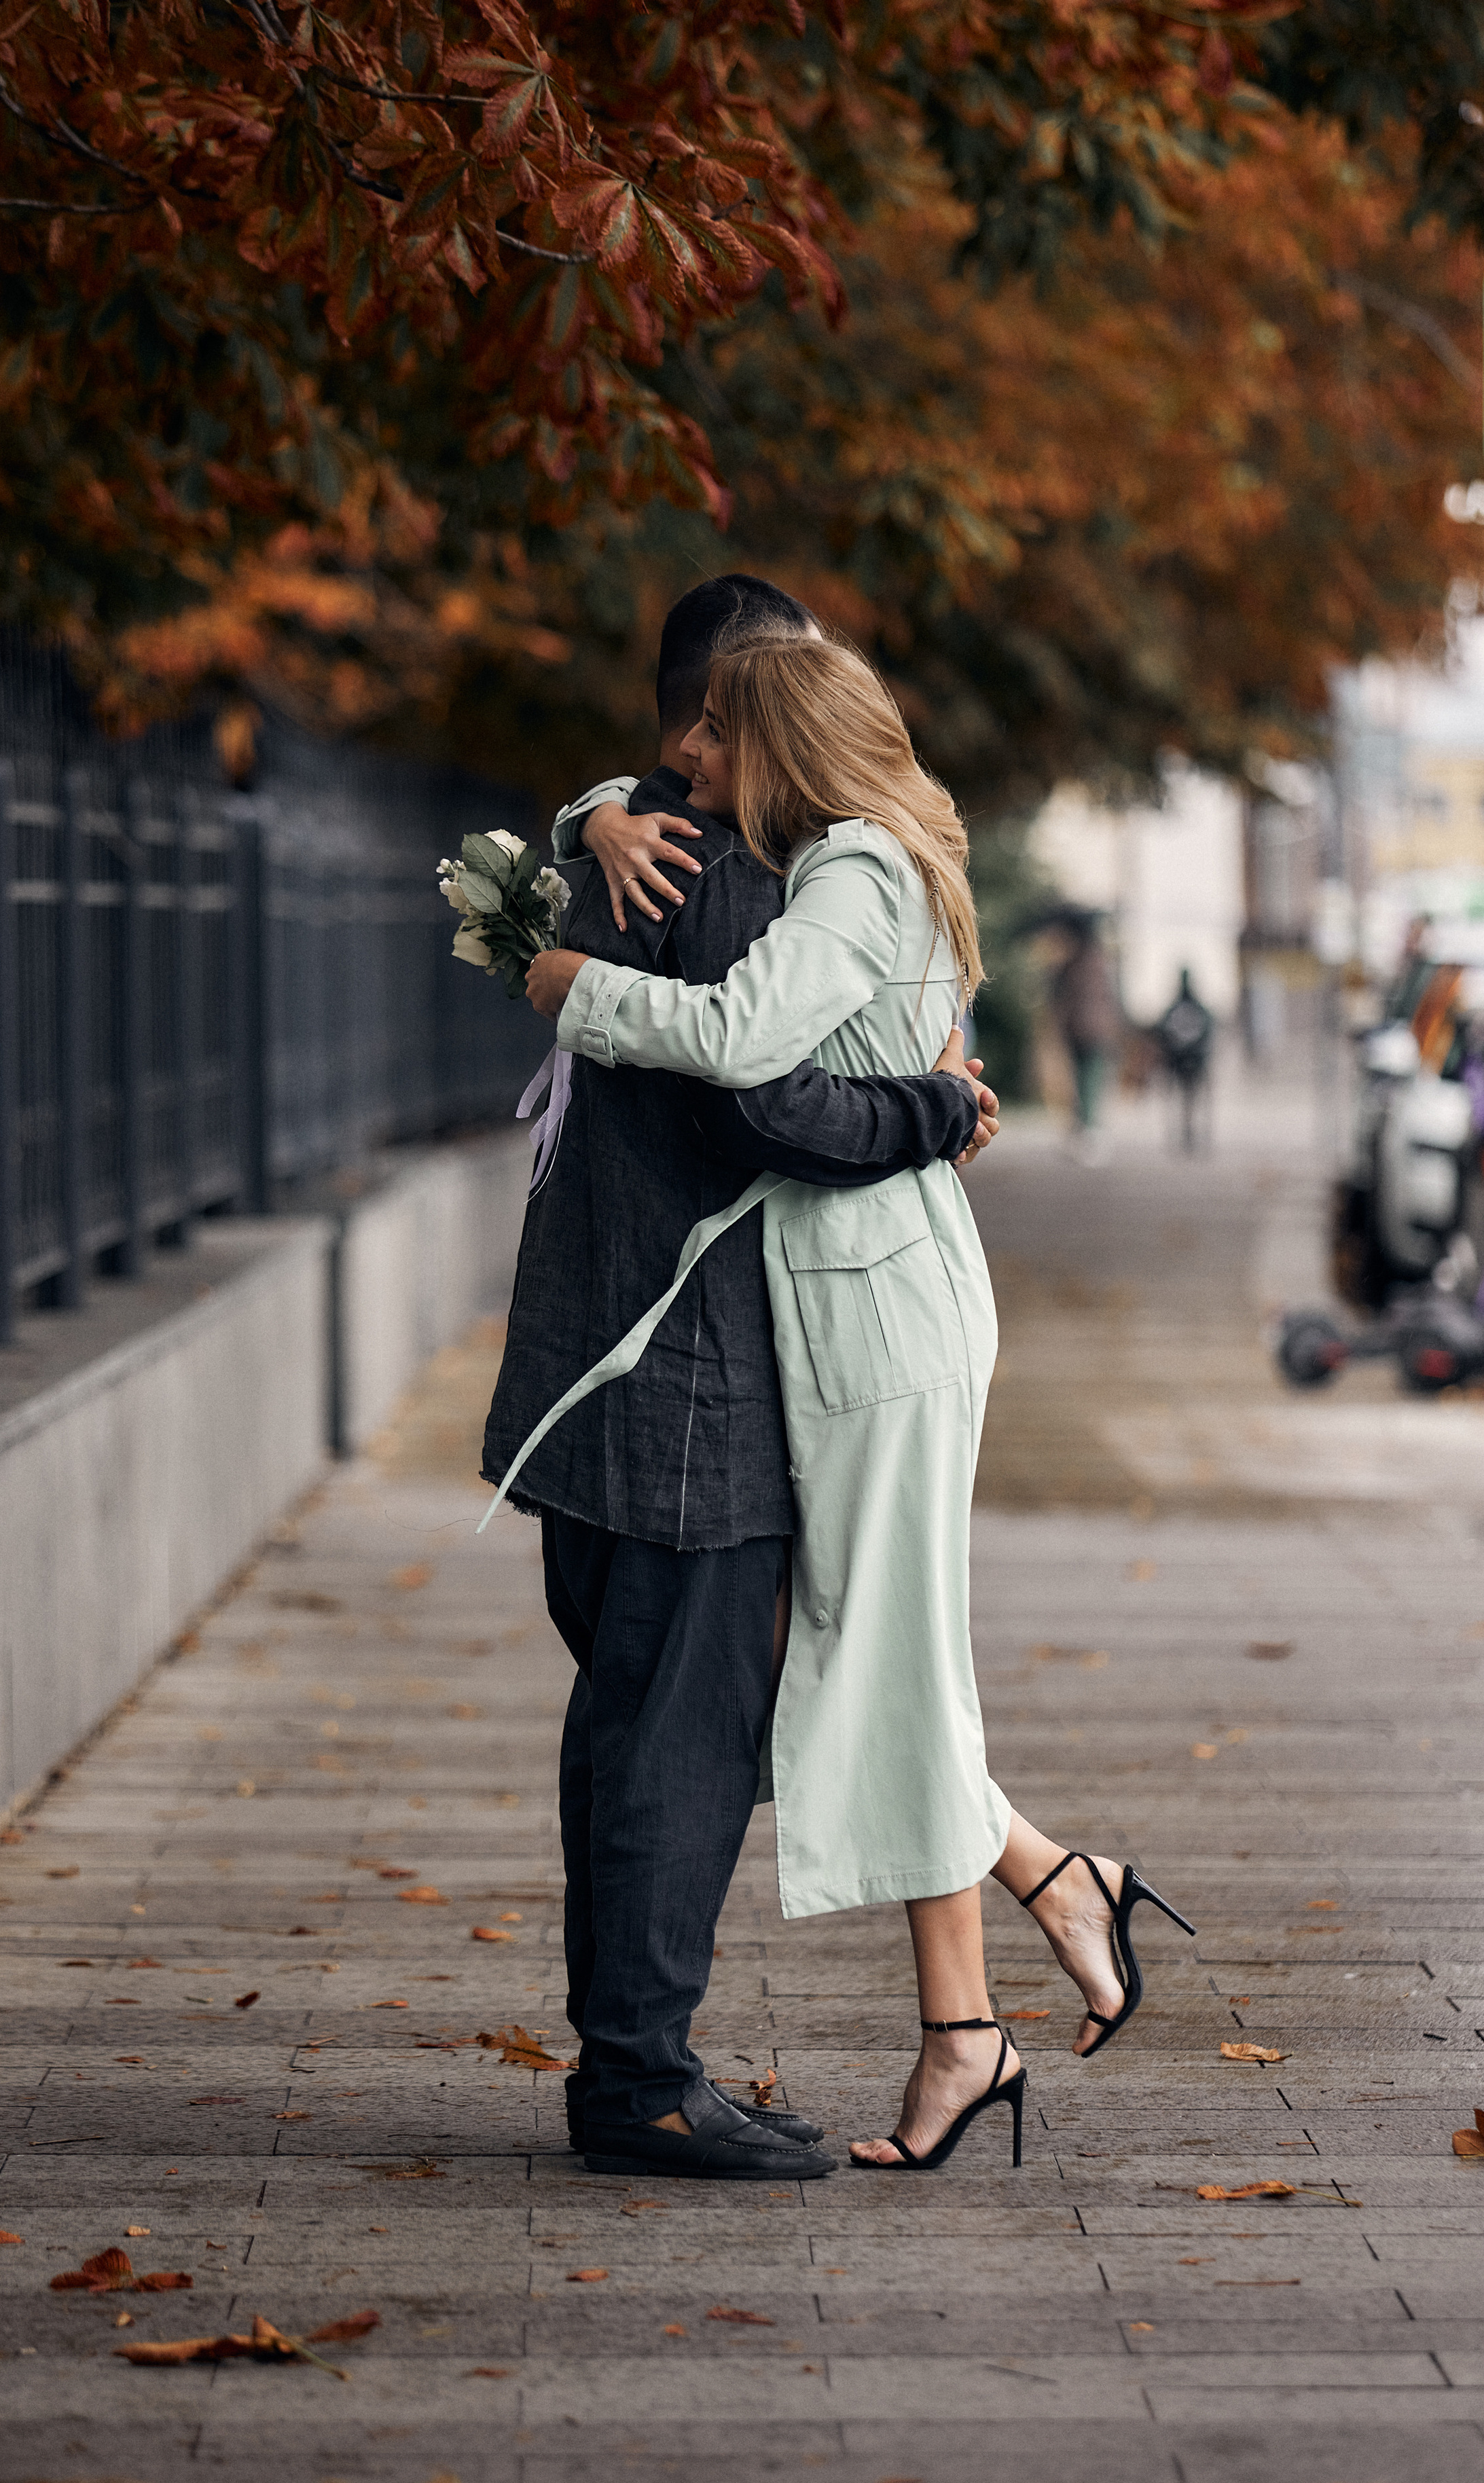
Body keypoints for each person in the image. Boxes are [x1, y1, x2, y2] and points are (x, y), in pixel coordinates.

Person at [517, 634, 1195, 2173]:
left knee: (869, 1664)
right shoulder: (878, 848)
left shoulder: (846, 873)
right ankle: (1000, 1964)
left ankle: (1021, 1940)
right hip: (858, 1295)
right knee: (864, 1657)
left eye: (708, 731)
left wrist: (573, 987)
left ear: (774, 739)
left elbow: (747, 1049)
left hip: (871, 1311)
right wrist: (580, 830)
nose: (681, 757)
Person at [481, 577, 1000, 2184]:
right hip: (689, 1377)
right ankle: (637, 2077)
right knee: (676, 1733)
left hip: (584, 1354)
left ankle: (636, 2054)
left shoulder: (615, 830)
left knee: (628, 1716)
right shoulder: (716, 864)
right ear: (728, 708)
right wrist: (931, 1111)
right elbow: (759, 1107)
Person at [1051, 913, 1121, 1153]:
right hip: (1097, 1030)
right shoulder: (1102, 962)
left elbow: (1060, 995)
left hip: (1080, 1030)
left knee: (1084, 1079)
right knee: (1090, 1079)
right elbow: (1111, 998)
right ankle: (1088, 1128)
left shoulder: (1073, 963)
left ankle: (1087, 1128)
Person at [1156, 966, 1214, 1154]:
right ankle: (1192, 1134)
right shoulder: (1199, 1008)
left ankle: (1185, 1134)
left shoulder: (1174, 1008)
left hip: (1178, 1061)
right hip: (1196, 1061)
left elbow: (1163, 1031)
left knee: (1180, 1100)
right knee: (1194, 1100)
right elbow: (1209, 1030)